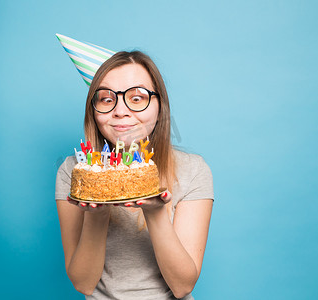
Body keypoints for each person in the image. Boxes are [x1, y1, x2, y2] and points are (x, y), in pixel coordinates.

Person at [55, 51, 214, 300]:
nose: (120, 111)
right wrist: (97, 211)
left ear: (160, 107)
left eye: (137, 98)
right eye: (107, 100)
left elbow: (182, 286)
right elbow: (84, 284)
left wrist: (155, 210)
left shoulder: (193, 170)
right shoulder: (75, 172)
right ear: (93, 110)